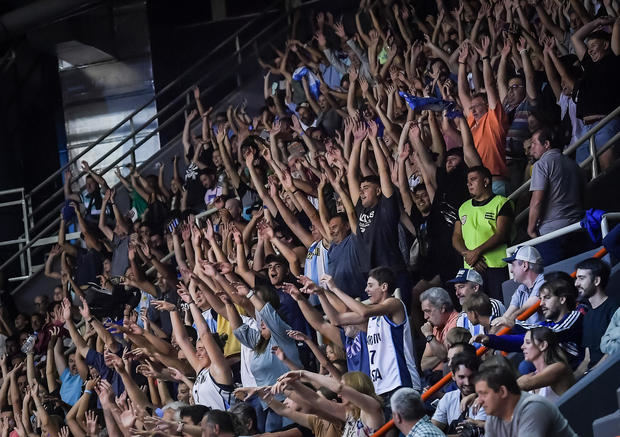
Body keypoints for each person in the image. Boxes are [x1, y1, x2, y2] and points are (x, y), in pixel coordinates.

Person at [319, 268, 422, 408]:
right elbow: (336, 320)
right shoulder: (371, 319)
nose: (366, 290)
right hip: (380, 388)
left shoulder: (394, 304)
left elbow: (364, 311)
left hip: (401, 382)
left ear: (384, 287)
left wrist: (334, 288)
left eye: (370, 285)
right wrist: (320, 294)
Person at [452, 166, 514, 301]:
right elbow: (456, 237)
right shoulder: (463, 207)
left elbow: (501, 234)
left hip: (497, 266)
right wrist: (467, 255)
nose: (469, 184)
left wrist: (476, 253)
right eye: (468, 181)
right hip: (471, 268)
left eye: (473, 180)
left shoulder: (502, 203)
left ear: (486, 182)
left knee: (499, 306)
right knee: (475, 309)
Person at [527, 127, 586, 265]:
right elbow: (584, 196)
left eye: (535, 143)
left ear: (546, 144)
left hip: (552, 232)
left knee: (555, 280)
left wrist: (530, 228)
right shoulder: (574, 165)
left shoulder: (541, 165)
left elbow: (537, 201)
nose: (532, 147)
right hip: (577, 227)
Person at [458, 39, 509, 195]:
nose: (472, 110)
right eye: (471, 108)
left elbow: (490, 85)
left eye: (477, 106)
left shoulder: (494, 119)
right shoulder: (472, 122)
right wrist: (461, 64)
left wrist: (485, 59)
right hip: (477, 184)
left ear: (487, 105)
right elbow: (462, 93)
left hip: (496, 181)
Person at [475, 364, 578, 436]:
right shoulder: (494, 417)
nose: (479, 401)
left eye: (484, 394)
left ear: (502, 391)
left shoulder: (533, 407)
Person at [571, 18, 620, 169]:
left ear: (605, 45)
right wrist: (597, 22)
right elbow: (575, 38)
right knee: (583, 175)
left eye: (593, 46)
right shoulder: (588, 63)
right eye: (588, 47)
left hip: (605, 122)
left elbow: (618, 24)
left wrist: (612, 22)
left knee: (607, 170)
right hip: (586, 129)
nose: (590, 50)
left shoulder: (613, 59)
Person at [574, 258, 618, 369]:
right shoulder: (587, 315)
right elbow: (587, 359)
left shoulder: (614, 308)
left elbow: (613, 351)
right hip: (593, 375)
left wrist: (592, 373)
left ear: (596, 281)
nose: (576, 283)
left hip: (607, 372)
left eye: (581, 278)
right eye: (576, 278)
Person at [431, 352, 486, 433]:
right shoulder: (448, 397)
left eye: (472, 376)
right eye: (461, 377)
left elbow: (473, 434)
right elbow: (433, 431)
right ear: (453, 376)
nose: (467, 382)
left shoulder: (485, 399)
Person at [518, 327, 575, 402]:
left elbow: (525, 384)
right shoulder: (532, 375)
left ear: (543, 345)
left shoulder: (559, 367)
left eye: (528, 342)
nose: (522, 347)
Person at [495, 246, 546, 325]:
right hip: (529, 334)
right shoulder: (521, 289)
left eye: (513, 265)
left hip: (543, 334)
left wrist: (509, 320)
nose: (511, 270)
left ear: (525, 265)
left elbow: (528, 308)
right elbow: (506, 316)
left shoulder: (544, 282)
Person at [450, 269, 506, 335]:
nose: (457, 293)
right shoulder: (461, 317)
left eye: (461, 287)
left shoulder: (492, 305)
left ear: (475, 288)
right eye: (456, 289)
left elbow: (496, 337)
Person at [419, 287, 460, 372]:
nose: (425, 317)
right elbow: (424, 365)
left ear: (442, 308)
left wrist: (429, 335)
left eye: (428, 311)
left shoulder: (457, 321)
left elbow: (444, 355)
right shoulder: (435, 327)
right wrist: (443, 352)